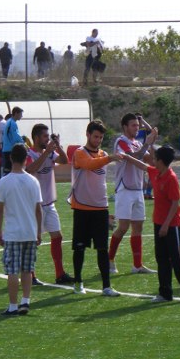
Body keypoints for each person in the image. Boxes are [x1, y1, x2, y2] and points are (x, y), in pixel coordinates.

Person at [120, 144, 180, 302]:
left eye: (155, 158)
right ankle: (165, 293)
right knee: (161, 258)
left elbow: (175, 203)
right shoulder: (156, 172)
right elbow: (142, 166)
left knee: (176, 258)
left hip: (171, 224)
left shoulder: (171, 178)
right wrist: (127, 157)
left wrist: (166, 225)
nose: (152, 160)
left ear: (161, 161)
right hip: (158, 222)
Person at [69, 120, 123, 296]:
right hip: (82, 208)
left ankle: (106, 286)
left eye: (101, 137)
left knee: (102, 248)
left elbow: (100, 180)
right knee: (79, 248)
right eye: (95, 136)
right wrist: (110, 158)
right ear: (87, 135)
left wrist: (107, 208)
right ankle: (78, 282)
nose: (98, 140)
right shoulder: (79, 153)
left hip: (100, 208)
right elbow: (89, 165)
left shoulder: (102, 154)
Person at [0, 143, 43, 316]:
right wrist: (38, 232)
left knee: (12, 270)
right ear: (26, 159)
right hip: (30, 231)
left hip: (13, 233)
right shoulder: (33, 181)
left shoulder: (4, 181)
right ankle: (25, 301)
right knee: (27, 269)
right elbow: (38, 210)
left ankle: (13, 306)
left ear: (11, 158)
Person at [108, 113, 158, 275]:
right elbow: (134, 157)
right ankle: (109, 260)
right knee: (123, 227)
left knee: (138, 227)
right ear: (125, 127)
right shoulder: (121, 141)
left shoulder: (137, 143)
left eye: (137, 125)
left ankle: (137, 265)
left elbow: (151, 160)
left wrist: (151, 143)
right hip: (124, 188)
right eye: (133, 125)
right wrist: (147, 143)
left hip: (137, 189)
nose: (137, 128)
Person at [25, 124, 74, 285]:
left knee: (57, 236)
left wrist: (58, 146)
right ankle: (30, 275)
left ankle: (60, 274)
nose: (48, 139)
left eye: (48, 136)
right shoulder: (29, 153)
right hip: (34, 205)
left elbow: (65, 160)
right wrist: (46, 152)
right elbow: (30, 169)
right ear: (36, 138)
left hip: (49, 203)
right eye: (45, 136)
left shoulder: (50, 152)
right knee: (33, 240)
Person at [1, 107, 25, 176]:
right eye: (20, 114)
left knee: (7, 168)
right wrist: (23, 142)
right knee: (10, 169)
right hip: (10, 149)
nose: (21, 116)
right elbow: (15, 137)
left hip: (6, 148)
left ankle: (5, 179)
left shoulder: (9, 121)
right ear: (16, 113)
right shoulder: (12, 123)